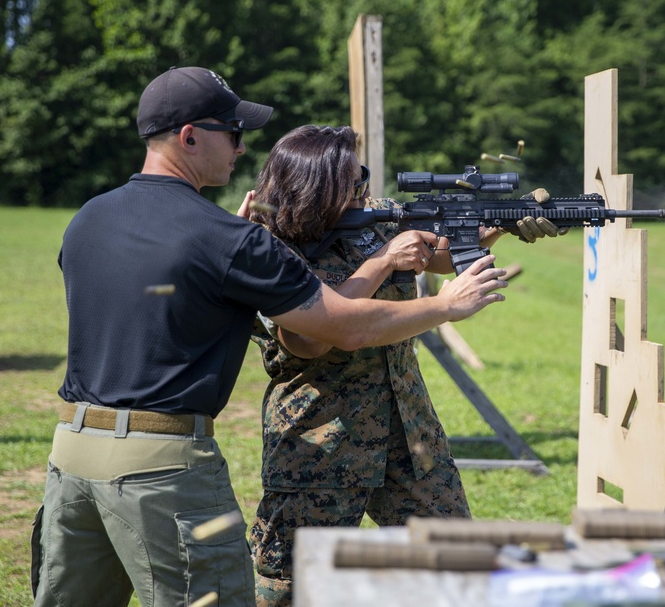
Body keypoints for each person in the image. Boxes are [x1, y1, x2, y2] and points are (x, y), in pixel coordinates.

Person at [31, 68, 508, 607]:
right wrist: (447, 304)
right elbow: (338, 326)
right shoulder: (227, 239)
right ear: (189, 136)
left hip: (71, 455)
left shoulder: (88, 219)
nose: (240, 148)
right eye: (232, 133)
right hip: (162, 465)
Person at [240, 125, 566, 606]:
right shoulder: (268, 249)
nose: (365, 190)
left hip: (406, 431)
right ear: (315, 189)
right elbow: (314, 334)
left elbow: (438, 253)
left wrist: (508, 220)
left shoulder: (372, 220)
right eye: (352, 183)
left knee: (456, 563)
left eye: (363, 176)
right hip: (320, 443)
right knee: (292, 586)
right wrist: (384, 262)